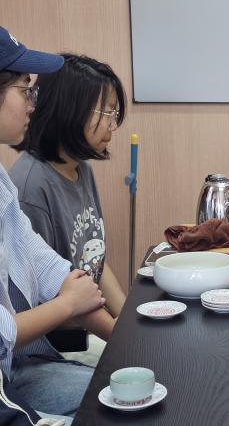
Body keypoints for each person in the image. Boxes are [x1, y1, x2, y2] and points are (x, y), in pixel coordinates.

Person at [0, 26, 114, 419]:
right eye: (24, 90)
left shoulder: (3, 181)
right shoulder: (29, 182)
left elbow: (53, 267)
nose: (32, 104)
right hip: (25, 362)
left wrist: (124, 333)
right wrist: (68, 303)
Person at [10, 54, 127, 319]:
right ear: (69, 110)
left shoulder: (80, 167)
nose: (112, 124)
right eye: (106, 112)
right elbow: (41, 298)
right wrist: (120, 332)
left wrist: (126, 318)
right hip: (58, 333)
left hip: (89, 319)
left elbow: (94, 260)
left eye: (114, 113)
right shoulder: (30, 188)